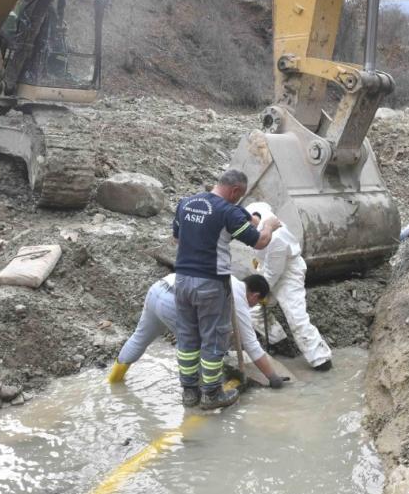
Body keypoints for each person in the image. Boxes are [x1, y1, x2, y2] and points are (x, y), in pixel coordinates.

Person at [172, 168, 281, 410]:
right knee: (214, 338)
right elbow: (260, 240)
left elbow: (178, 239)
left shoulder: (186, 204)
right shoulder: (227, 212)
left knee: (188, 338)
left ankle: (189, 393)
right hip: (211, 283)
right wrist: (270, 225)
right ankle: (211, 394)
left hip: (182, 280)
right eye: (239, 196)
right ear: (235, 191)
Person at [107, 273, 289, 390]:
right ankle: (205, 394)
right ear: (254, 295)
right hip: (175, 302)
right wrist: (273, 378)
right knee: (198, 347)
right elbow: (250, 343)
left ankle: (113, 382)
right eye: (256, 303)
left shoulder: (229, 279)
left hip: (159, 288)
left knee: (140, 338)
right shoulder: (239, 297)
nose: (253, 306)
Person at [244, 202, 333, 371]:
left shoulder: (276, 238)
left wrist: (260, 293)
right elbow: (264, 204)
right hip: (269, 266)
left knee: (296, 317)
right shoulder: (253, 210)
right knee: (253, 311)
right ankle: (282, 344)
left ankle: (321, 360)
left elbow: (273, 274)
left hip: (288, 273)